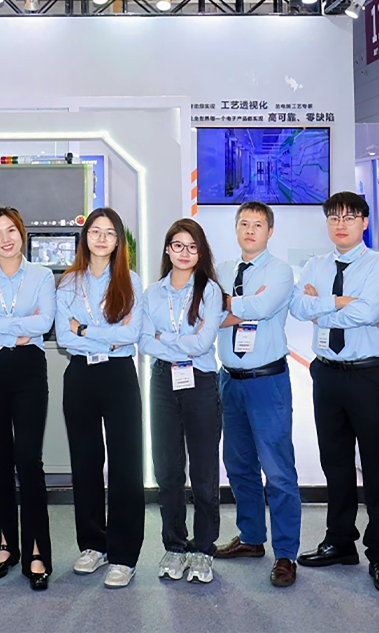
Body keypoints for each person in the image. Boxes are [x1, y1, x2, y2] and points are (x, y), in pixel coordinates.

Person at [290, 192, 379, 594]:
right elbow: (297, 308)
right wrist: (338, 301)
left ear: (365, 222)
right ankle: (339, 542)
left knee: (377, 467)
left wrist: (321, 305)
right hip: (327, 373)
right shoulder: (315, 265)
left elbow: (367, 312)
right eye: (334, 217)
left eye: (350, 217)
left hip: (368, 374)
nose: (341, 224)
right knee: (335, 463)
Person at [55, 207, 145, 589]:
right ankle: (93, 544)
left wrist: (85, 329)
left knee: (126, 464)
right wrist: (106, 334)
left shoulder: (130, 281)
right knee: (86, 462)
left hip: (119, 375)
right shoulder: (68, 282)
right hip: (80, 375)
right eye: (95, 231)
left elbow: (131, 335)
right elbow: (64, 337)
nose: (102, 238)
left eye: (110, 232)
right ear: (85, 236)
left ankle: (124, 555)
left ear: (119, 240)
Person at [212, 201, 301, 588]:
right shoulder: (220, 270)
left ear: (270, 231)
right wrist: (241, 308)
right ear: (236, 229)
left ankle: (286, 554)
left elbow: (263, 307)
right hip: (229, 381)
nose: (250, 230)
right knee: (238, 465)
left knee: (278, 471)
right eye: (244, 224)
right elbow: (206, 311)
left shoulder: (280, 271)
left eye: (258, 225)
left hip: (267, 382)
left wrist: (228, 306)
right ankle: (251, 538)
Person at [0, 207, 56, 590]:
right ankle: (5, 544)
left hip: (28, 371)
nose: (5, 239)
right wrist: (17, 330)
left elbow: (44, 322)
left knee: (29, 461)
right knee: (0, 462)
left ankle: (37, 550)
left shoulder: (41, 275)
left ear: (22, 233)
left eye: (11, 231)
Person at [139, 219, 225, 585]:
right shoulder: (152, 293)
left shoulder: (211, 291)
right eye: (178, 245)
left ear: (201, 252)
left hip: (200, 382)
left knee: (203, 472)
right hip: (163, 382)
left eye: (192, 247)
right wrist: (178, 342)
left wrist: (165, 338)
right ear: (167, 249)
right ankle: (174, 545)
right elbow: (144, 341)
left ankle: (203, 549)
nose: (185, 252)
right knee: (167, 470)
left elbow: (203, 344)